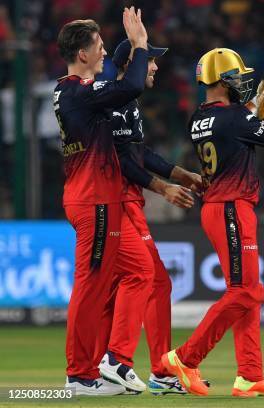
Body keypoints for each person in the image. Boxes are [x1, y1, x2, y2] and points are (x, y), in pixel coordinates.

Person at [161, 47, 264, 397]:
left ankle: (250, 375)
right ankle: (186, 357)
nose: (243, 83)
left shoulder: (198, 117)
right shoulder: (234, 119)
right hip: (231, 208)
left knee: (246, 293)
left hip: (219, 207)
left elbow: (233, 127)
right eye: (238, 77)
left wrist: (252, 109)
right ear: (225, 80)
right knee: (246, 291)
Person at [96, 38, 203, 395]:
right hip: (119, 202)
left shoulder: (126, 102)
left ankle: (121, 368)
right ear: (131, 64)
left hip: (124, 202)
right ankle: (136, 365)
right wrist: (163, 187)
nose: (155, 68)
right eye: (150, 62)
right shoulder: (113, 100)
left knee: (134, 285)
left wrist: (179, 173)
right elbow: (122, 161)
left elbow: (138, 152)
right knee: (150, 280)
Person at [53, 7, 151, 396]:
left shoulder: (74, 91)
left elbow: (122, 91)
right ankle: (79, 375)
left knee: (139, 270)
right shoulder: (77, 91)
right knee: (91, 287)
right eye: (101, 46)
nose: (105, 52)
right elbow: (130, 88)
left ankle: (114, 361)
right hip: (93, 200)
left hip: (101, 199)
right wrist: (139, 45)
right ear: (83, 54)